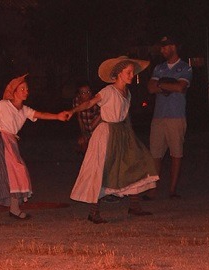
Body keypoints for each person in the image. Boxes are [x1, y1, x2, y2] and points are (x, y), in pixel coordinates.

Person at [0, 74, 68, 225]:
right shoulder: (3, 104)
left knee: (16, 173)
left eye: (27, 89)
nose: (26, 91)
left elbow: (40, 114)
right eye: (22, 89)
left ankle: (13, 209)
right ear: (14, 92)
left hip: (11, 143)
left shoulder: (24, 110)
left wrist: (58, 116)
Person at [70, 56, 159, 223]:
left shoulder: (128, 93)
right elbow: (89, 103)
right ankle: (93, 211)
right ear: (119, 74)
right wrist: (72, 111)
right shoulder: (108, 91)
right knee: (102, 168)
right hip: (107, 133)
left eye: (132, 72)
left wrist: (131, 136)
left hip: (122, 132)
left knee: (136, 161)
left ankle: (134, 205)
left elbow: (126, 117)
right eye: (128, 72)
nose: (132, 75)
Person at [147, 36, 193, 199]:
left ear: (173, 47)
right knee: (155, 154)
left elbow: (180, 87)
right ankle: (153, 189)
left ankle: (172, 189)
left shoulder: (185, 67)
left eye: (165, 47)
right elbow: (151, 88)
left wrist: (161, 85)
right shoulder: (159, 68)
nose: (162, 50)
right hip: (159, 116)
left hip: (176, 115)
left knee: (176, 153)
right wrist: (167, 86)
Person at [72, 82, 101, 154]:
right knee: (81, 142)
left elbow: (102, 117)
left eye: (88, 92)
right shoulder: (76, 101)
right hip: (87, 130)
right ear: (79, 94)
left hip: (97, 129)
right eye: (83, 93)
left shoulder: (96, 102)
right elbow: (79, 118)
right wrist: (84, 133)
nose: (87, 95)